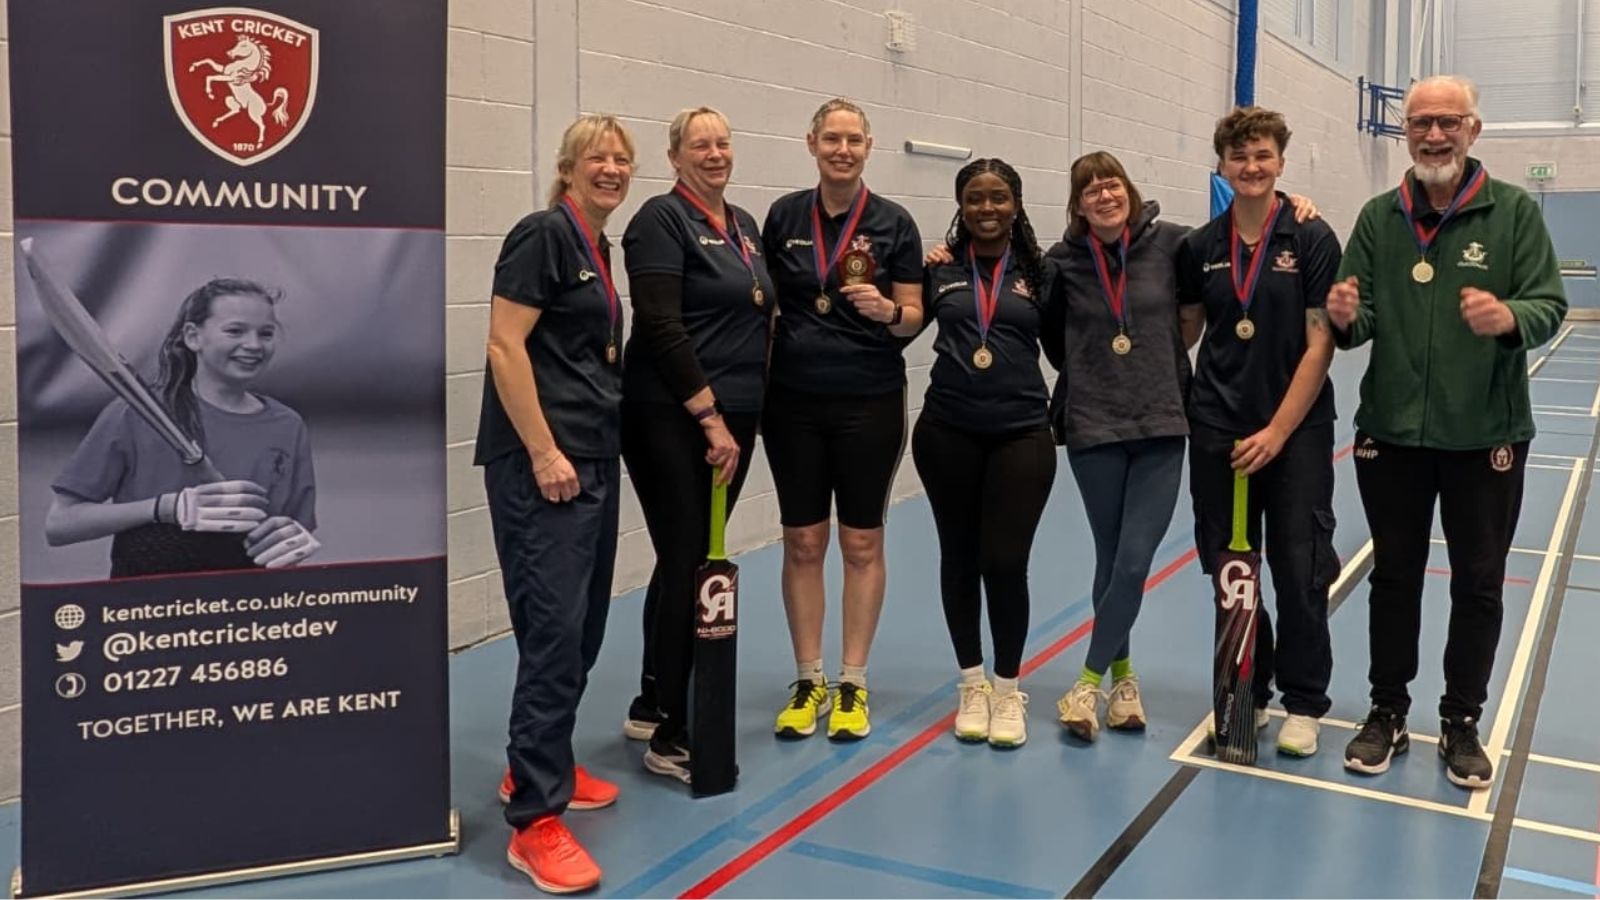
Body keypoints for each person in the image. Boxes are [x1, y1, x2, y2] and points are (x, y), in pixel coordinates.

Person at [1330, 75, 1567, 789]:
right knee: (1393, 578)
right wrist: (1345, 318)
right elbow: (1358, 318)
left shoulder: (1513, 212)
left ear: (1473, 129)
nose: (1434, 135)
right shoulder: (1379, 218)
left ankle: (1461, 720)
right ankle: (1387, 711)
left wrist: (1510, 317)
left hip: (1485, 434)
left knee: (1479, 584)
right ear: (1405, 131)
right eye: (1421, 123)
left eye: (1448, 121)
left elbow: (1549, 304)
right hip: (1391, 434)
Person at [475, 114, 635, 893]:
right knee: (553, 633)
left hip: (592, 458)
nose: (612, 168)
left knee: (584, 628)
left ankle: (536, 763)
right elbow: (504, 345)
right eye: (597, 157)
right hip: (544, 465)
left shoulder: (597, 245)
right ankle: (534, 819)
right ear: (568, 168)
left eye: (622, 159)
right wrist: (542, 451)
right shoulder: (542, 234)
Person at [1176, 106, 1341, 758]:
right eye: (1239, 156)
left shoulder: (1311, 237)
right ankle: (1245, 696)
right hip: (1218, 429)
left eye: (1263, 155)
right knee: (1233, 573)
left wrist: (1277, 430)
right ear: (1221, 165)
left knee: (1300, 570)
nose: (1251, 166)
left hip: (1294, 432)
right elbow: (1188, 328)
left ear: (1281, 161)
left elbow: (1321, 345)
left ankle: (1305, 702)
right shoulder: (1199, 246)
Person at [758, 98, 924, 741]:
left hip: (869, 402)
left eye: (853, 140)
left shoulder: (894, 223)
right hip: (793, 404)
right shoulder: (783, 216)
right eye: (832, 138)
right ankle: (809, 679)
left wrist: (887, 311)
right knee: (802, 541)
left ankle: (853, 681)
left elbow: (913, 315)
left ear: (869, 147)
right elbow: (764, 303)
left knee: (860, 543)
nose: (842, 150)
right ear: (812, 144)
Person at [623, 106, 776, 781]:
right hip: (672, 416)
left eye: (722, 142)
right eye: (699, 145)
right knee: (690, 562)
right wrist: (708, 416)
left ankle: (653, 698)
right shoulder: (659, 219)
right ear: (675, 157)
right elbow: (661, 324)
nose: (715, 154)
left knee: (680, 557)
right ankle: (675, 735)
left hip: (735, 416)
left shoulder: (743, 225)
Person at [1044, 152, 1195, 742]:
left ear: (1129, 191)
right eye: (1091, 191)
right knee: (1109, 560)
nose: (1104, 197)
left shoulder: (1173, 245)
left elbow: (1220, 269)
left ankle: (1086, 683)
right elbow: (1051, 337)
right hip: (1094, 424)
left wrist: (1294, 205)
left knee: (1134, 561)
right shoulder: (1061, 262)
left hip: (1161, 421)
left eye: (1112, 186)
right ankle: (1124, 682)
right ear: (1078, 205)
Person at [914, 158, 1056, 747]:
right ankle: (971, 684)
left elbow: (1069, 346)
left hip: (1021, 432)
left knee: (1004, 561)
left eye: (998, 197)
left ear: (1016, 204)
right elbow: (900, 326)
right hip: (947, 430)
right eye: (975, 198)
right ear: (961, 206)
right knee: (959, 557)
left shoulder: (1041, 271)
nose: (987, 208)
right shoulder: (940, 269)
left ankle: (1007, 687)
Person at [46, 278, 318, 577]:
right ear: (193, 337)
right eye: (235, 331)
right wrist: (165, 508)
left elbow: (290, 530)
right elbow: (60, 524)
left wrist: (291, 542)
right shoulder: (135, 413)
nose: (253, 345)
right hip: (147, 599)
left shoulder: (287, 425)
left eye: (265, 333)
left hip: (247, 599)